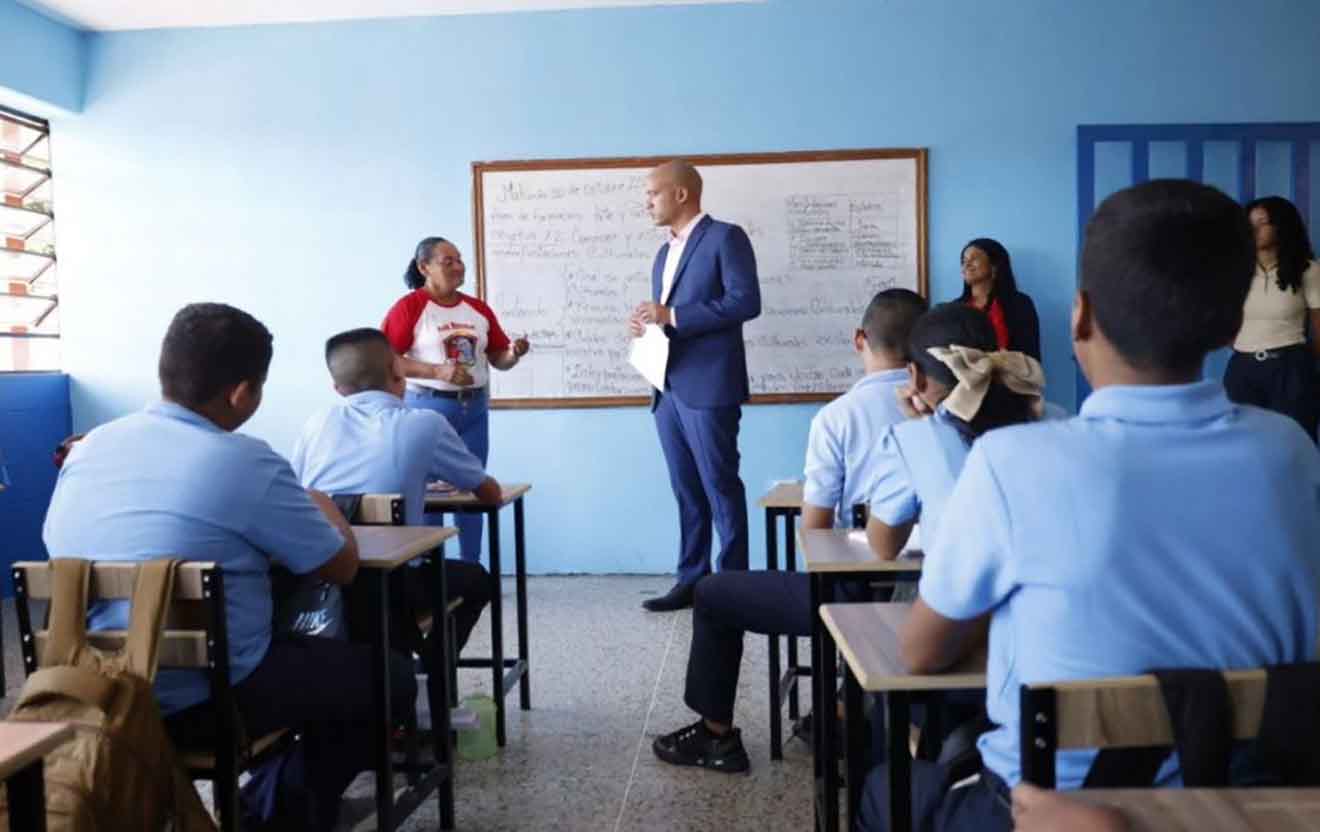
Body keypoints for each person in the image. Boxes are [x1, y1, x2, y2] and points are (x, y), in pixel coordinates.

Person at [859, 180, 1320, 831]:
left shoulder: (1016, 460)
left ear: (1079, 316)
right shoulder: (1291, 452)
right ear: (1227, 325)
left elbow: (921, 654)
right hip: (1242, 805)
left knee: (884, 788)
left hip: (1050, 808)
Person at [43, 303, 415, 831]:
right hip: (207, 699)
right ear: (241, 393)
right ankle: (274, 811)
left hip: (91, 688)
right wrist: (324, 504)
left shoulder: (87, 450)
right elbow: (341, 567)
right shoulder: (245, 459)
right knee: (390, 679)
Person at [651, 301, 1044, 773]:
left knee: (714, 592)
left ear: (912, 374)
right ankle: (845, 705)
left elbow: (827, 540)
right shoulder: (1046, 419)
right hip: (1021, 624)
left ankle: (720, 736)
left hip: (907, 613)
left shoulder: (887, 430)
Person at [290, 327, 499, 702]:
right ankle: (435, 662)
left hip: (322, 588)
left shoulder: (315, 424)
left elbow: (302, 494)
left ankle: (411, 663)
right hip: (394, 586)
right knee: (478, 579)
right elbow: (489, 492)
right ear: (398, 374)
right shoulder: (424, 423)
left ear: (337, 388)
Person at [629, 160, 762, 612]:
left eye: (653, 193)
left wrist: (675, 317)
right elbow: (668, 318)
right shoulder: (663, 253)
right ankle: (691, 579)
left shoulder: (726, 237)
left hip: (709, 385)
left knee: (720, 485)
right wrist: (649, 323)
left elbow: (746, 301)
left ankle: (735, 587)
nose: (646, 202)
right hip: (666, 385)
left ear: (681, 194)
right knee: (685, 488)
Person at [381, 236, 530, 562]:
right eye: (447, 261)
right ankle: (431, 573)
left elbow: (498, 360)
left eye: (459, 259)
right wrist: (438, 371)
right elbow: (387, 360)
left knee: (474, 488)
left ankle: (471, 568)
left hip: (473, 409)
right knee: (430, 493)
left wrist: (512, 353)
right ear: (425, 267)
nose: (457, 266)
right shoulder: (411, 307)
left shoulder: (476, 308)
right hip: (428, 407)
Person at [802, 289, 929, 532]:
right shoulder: (945, 408)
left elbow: (815, 528)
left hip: (858, 560)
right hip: (935, 560)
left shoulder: (834, 417)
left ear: (859, 339)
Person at [1224, 195, 1320, 439]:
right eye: (1250, 223)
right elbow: (1226, 317)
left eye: (1263, 222)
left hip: (1290, 369)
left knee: (1296, 441)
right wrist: (1241, 346)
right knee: (1240, 443)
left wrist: (1305, 366)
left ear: (1281, 226)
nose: (1254, 228)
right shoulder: (1237, 271)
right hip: (1242, 369)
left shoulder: (1307, 271)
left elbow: (1319, 327)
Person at [957, 237, 1041, 359]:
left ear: (994, 266)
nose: (966, 264)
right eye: (964, 260)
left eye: (974, 259)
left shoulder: (1020, 304)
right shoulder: (954, 309)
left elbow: (1031, 358)